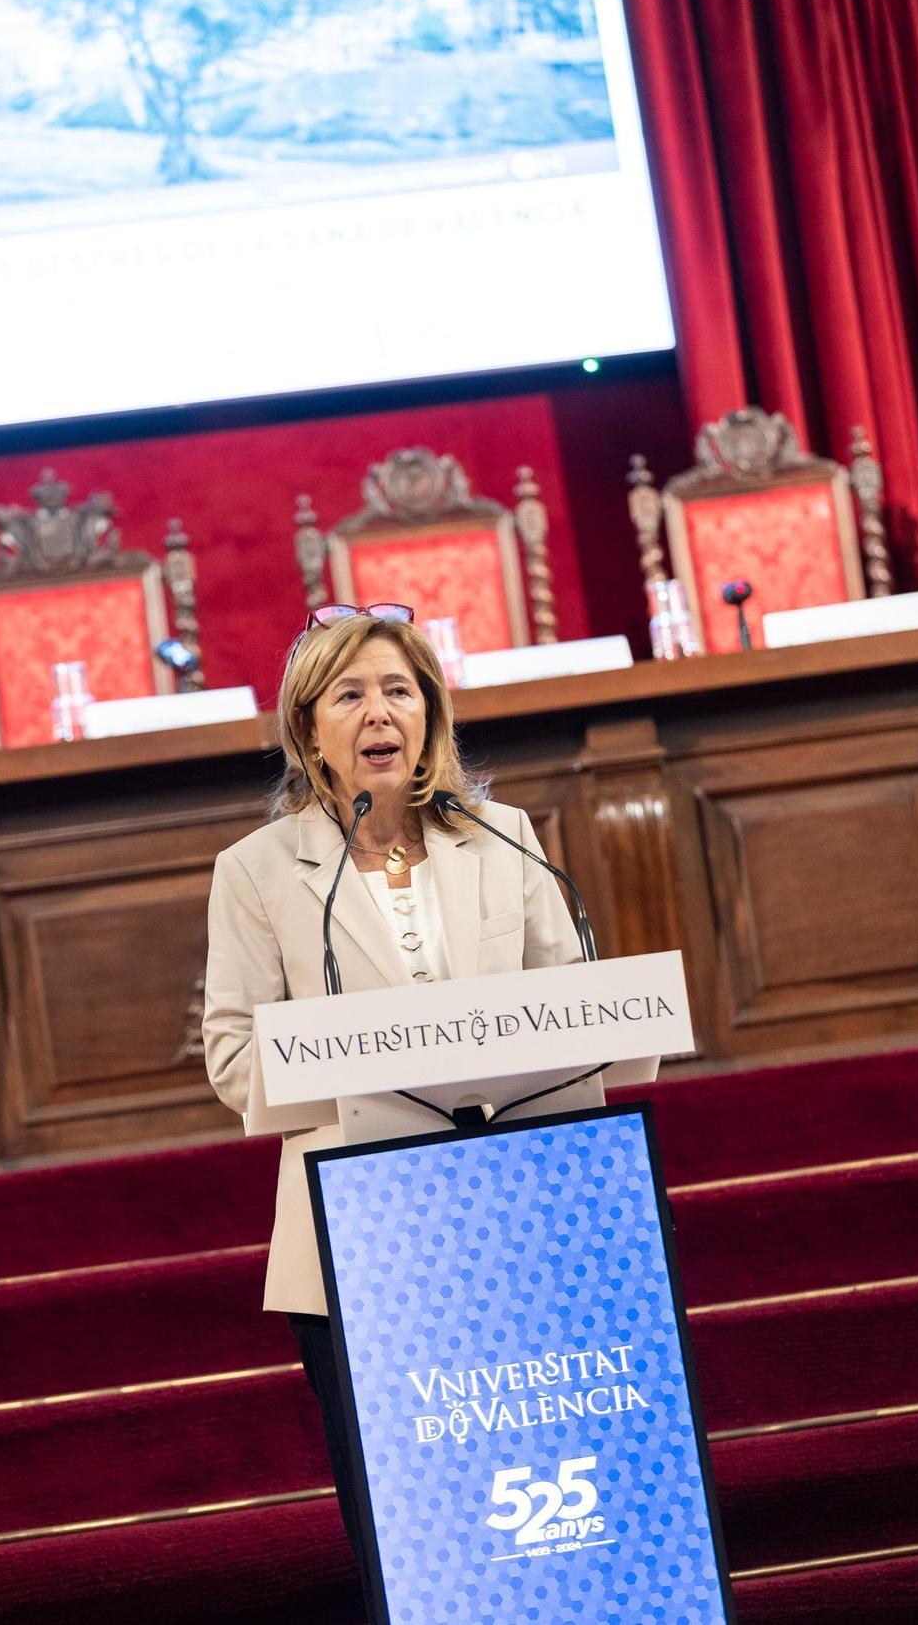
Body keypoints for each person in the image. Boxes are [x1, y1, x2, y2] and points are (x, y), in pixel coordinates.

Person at [202, 604, 600, 1606]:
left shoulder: (505, 837)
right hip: (358, 1224)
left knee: (552, 1487)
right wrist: (373, 1065)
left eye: (399, 689)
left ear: (429, 712)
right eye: (350, 693)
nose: (379, 710)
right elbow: (235, 1055)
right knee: (420, 1519)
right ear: (309, 728)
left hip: (519, 1209)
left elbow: (575, 1007)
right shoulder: (257, 869)